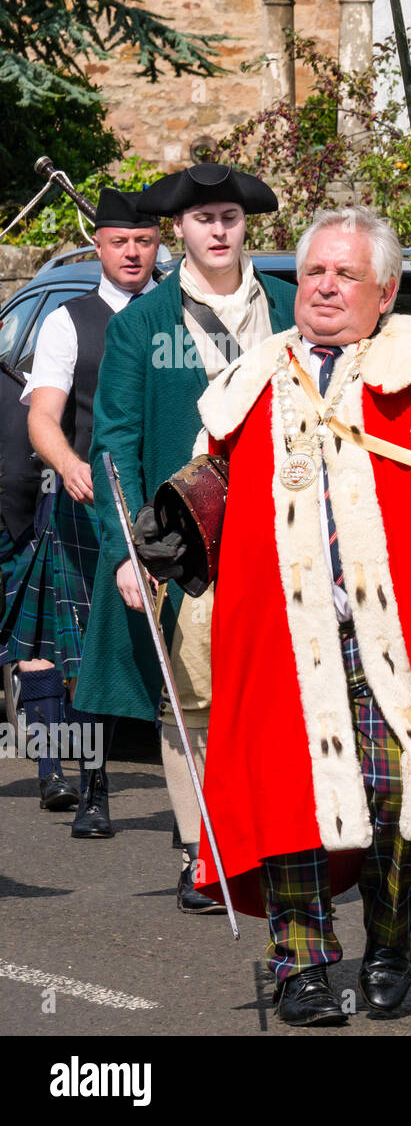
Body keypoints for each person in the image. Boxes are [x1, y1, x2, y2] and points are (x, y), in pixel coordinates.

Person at [138, 207, 411, 1026]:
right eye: (315, 273)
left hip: (395, 632)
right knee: (288, 804)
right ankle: (301, 968)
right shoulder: (254, 372)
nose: (325, 287)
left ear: (387, 290)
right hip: (282, 630)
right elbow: (216, 476)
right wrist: (176, 527)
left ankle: (389, 940)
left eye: (346, 274)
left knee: (403, 799)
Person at [75, 164, 296, 908]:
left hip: (280, 531)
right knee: (192, 698)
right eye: (205, 220)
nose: (219, 231)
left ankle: (269, 839)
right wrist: (128, 552)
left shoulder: (292, 309)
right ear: (182, 231)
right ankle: (203, 849)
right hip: (185, 541)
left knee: (274, 694)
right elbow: (114, 444)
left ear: (245, 225)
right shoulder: (143, 323)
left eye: (230, 217)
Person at [3, 188, 160, 835]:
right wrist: (69, 463)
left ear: (158, 245)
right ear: (97, 244)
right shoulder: (69, 320)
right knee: (85, 654)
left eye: (143, 241)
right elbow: (42, 413)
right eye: (119, 240)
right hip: (88, 507)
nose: (131, 251)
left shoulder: (178, 317)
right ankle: (88, 785)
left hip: (167, 504)